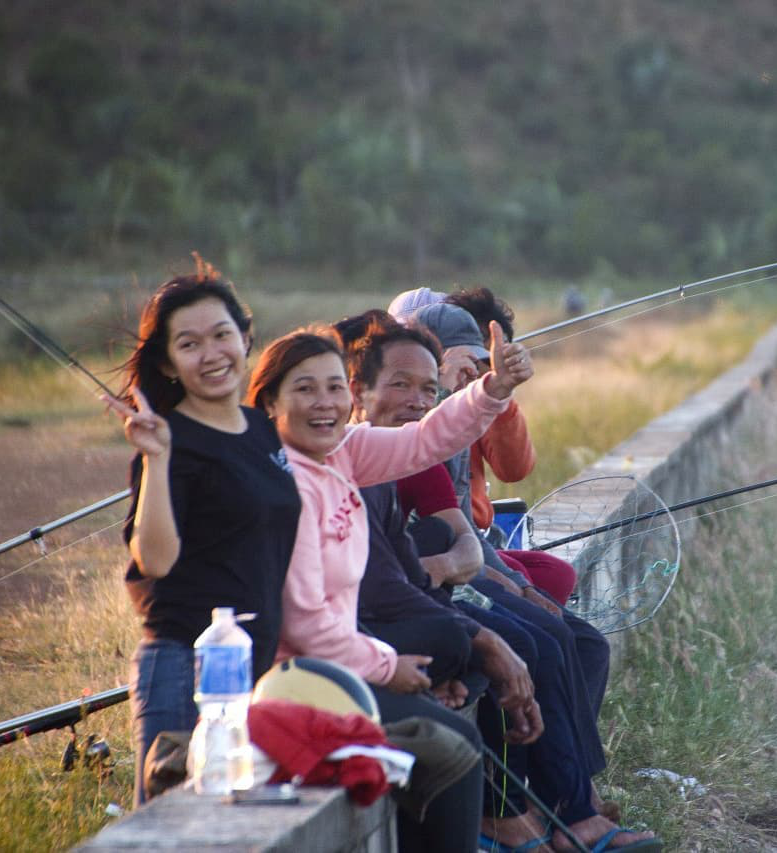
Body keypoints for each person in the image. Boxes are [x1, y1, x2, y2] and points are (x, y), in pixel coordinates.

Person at [347, 315, 659, 852]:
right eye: (400, 385)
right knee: (524, 641)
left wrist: (495, 391)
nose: (417, 400)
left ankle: (566, 800)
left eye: (429, 389)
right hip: (386, 619)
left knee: (572, 637)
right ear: (358, 389)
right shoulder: (348, 453)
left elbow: (466, 543)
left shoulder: (410, 450)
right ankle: (510, 813)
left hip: (423, 595)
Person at [245, 325, 536, 853]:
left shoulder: (343, 452)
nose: (325, 403)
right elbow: (306, 625)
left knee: (452, 705)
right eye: (305, 389)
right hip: (300, 681)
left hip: (347, 660)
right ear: (269, 403)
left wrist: (492, 389)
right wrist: (389, 667)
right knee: (455, 747)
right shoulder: (284, 488)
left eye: (335, 388)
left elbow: (425, 440)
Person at [104, 262, 302, 806]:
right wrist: (159, 460)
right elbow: (155, 560)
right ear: (168, 361)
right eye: (189, 344)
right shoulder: (170, 440)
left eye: (222, 335)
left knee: (238, 826)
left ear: (245, 336)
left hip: (255, 667)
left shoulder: (261, 428)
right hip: (186, 669)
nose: (212, 354)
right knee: (179, 831)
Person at [444, 287, 577, 604]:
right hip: (451, 547)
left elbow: (513, 469)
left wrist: (500, 395)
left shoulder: (480, 401)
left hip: (478, 540)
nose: (473, 367)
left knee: (558, 576)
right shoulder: (420, 412)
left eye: (482, 356)